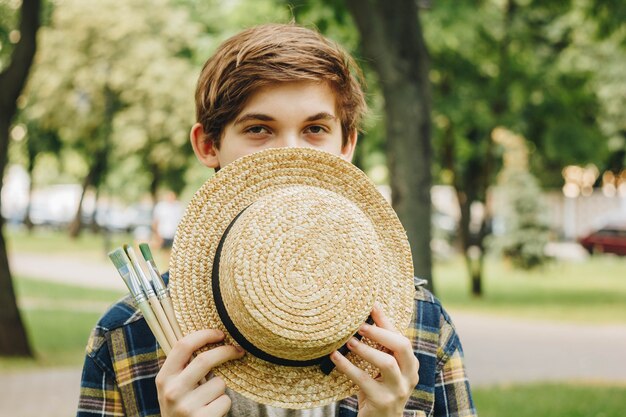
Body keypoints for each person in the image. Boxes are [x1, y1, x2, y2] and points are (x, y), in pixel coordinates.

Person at [77, 23, 477, 417]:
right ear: (207, 144)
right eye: (259, 129)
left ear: (347, 145)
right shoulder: (127, 337)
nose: (291, 154)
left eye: (315, 129)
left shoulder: (421, 328)